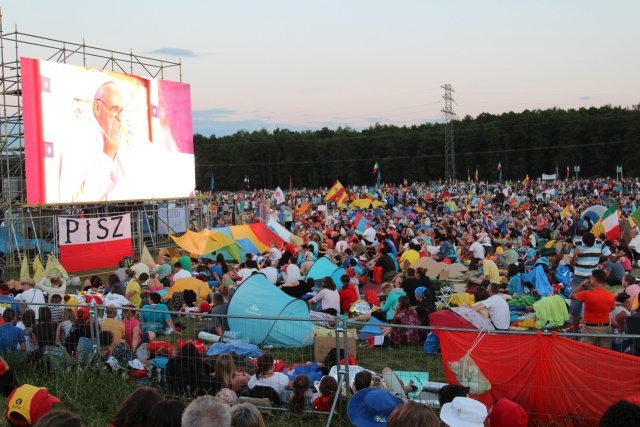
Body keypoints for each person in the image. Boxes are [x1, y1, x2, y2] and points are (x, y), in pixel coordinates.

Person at [569, 232, 614, 334]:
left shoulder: (600, 243)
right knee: (575, 306)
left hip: (592, 278)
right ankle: (575, 333)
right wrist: (575, 256)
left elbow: (612, 258)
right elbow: (571, 264)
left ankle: (591, 328)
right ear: (583, 242)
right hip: (579, 277)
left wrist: (618, 256)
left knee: (596, 303)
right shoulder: (576, 244)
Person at [570, 269, 615, 349]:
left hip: (590, 328)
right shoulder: (610, 295)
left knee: (586, 353)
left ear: (594, 279)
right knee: (605, 354)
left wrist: (582, 285)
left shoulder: (587, 294)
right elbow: (611, 309)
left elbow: (571, 295)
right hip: (605, 327)